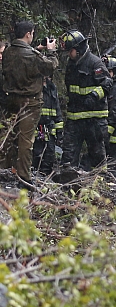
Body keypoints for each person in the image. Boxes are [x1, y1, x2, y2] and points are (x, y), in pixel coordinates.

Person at [0, 21, 59, 185]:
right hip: (29, 102)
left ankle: (3, 170)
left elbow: (23, 60)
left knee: (7, 136)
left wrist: (37, 49)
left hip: (10, 100)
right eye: (32, 33)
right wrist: (52, 51)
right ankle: (23, 178)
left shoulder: (8, 52)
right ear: (28, 34)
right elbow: (49, 66)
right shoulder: (32, 56)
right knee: (26, 141)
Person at [60, 30, 112, 172]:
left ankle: (100, 182)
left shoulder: (95, 63)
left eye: (70, 50)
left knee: (97, 155)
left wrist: (94, 96)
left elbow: (107, 84)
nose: (69, 54)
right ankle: (67, 180)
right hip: (75, 117)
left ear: (79, 49)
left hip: (94, 119)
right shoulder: (71, 64)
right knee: (69, 155)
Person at [32, 75, 63, 174]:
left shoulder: (52, 88)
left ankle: (45, 179)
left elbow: (57, 110)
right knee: (35, 156)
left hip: (50, 130)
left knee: (49, 157)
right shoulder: (33, 87)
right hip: (36, 129)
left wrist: (59, 131)